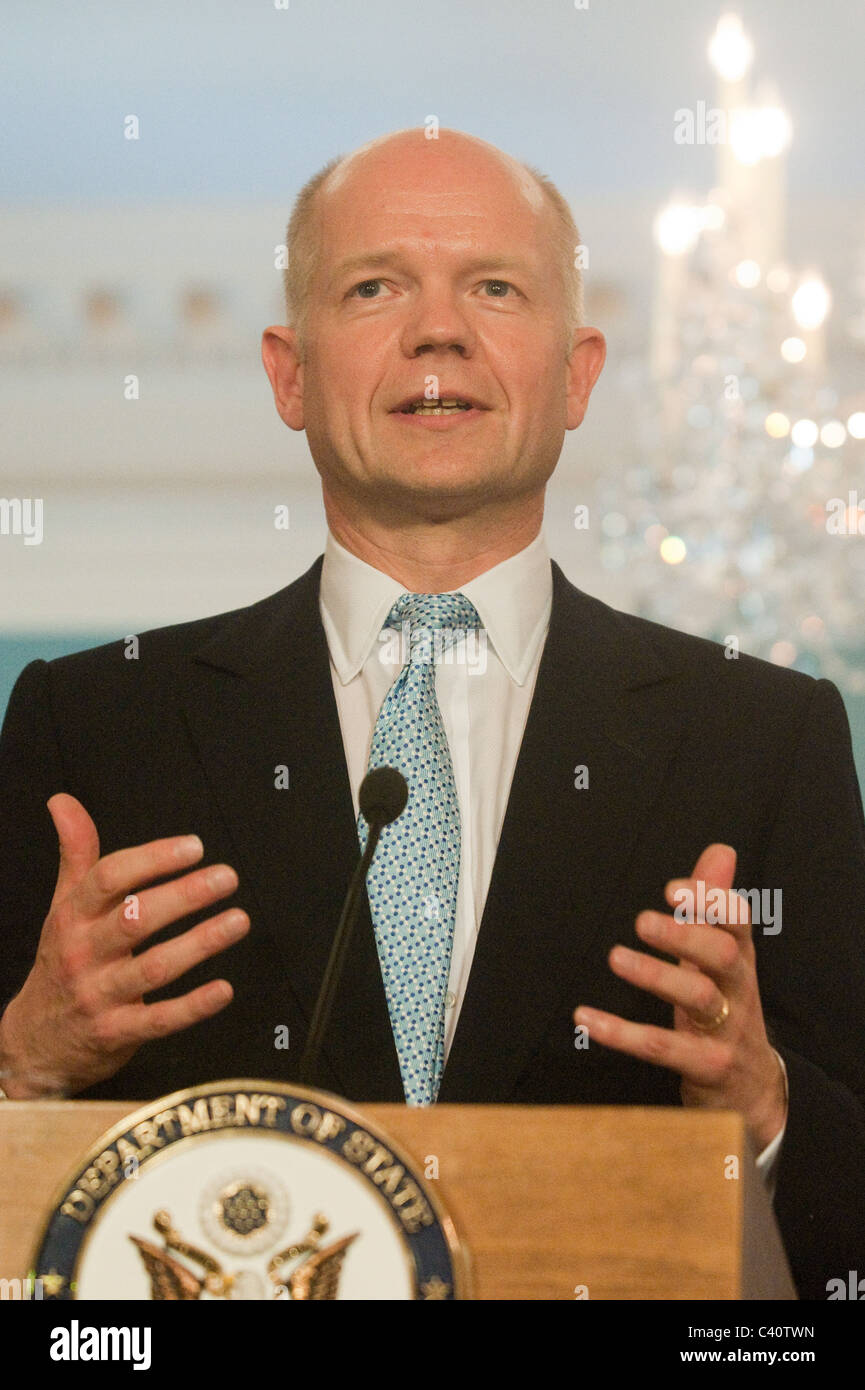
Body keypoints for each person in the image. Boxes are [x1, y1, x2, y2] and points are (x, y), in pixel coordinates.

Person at [1, 128, 863, 1301]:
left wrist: (761, 1112)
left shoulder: (765, 738)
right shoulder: (93, 727)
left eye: (495, 288)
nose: (439, 330)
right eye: (374, 287)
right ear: (288, 372)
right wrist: (22, 1067)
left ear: (576, 373)